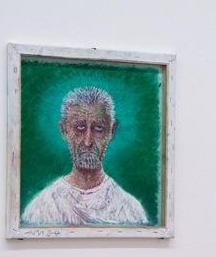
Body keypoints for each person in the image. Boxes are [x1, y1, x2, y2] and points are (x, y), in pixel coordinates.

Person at [21, 86, 149, 226]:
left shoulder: (130, 209)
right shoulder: (42, 207)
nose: (88, 142)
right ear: (64, 130)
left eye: (98, 128)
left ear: (112, 130)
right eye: (80, 127)